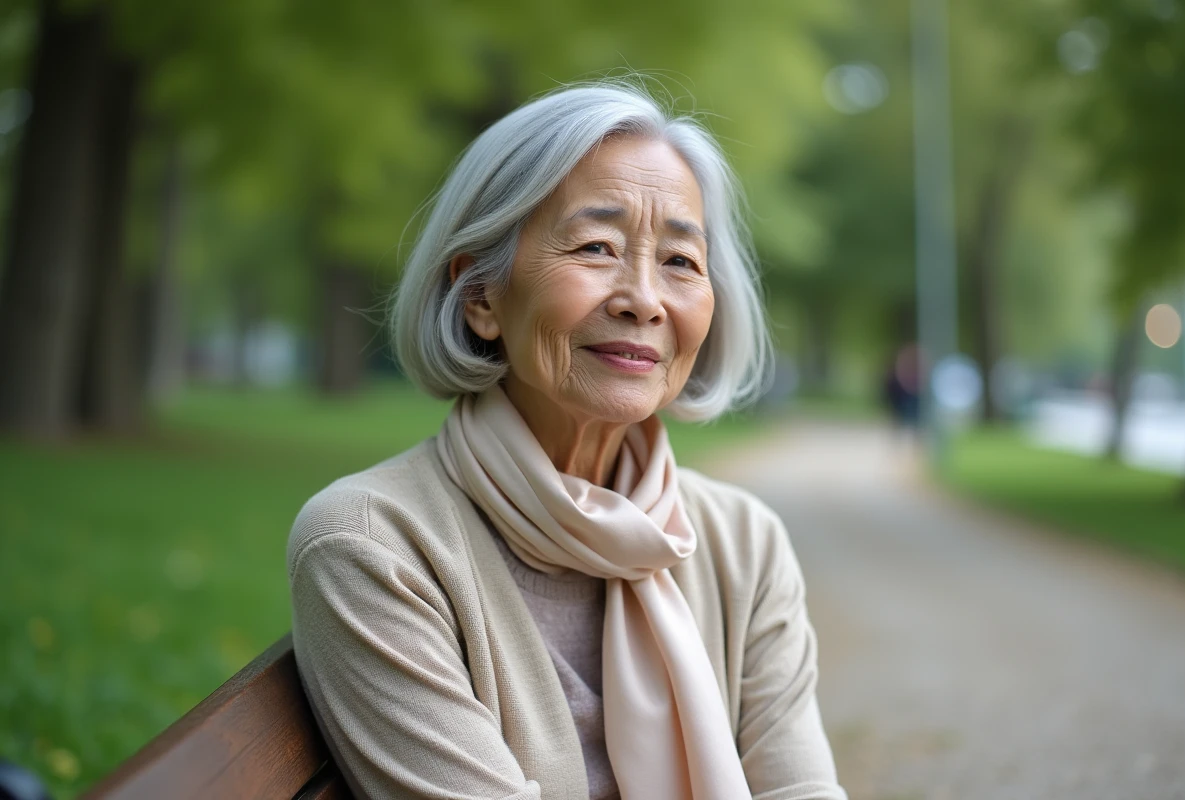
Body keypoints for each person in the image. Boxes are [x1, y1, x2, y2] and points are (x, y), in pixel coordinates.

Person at [287, 81, 848, 800]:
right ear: (481, 296)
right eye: (595, 246)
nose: (643, 299)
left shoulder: (744, 543)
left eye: (680, 261)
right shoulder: (374, 546)